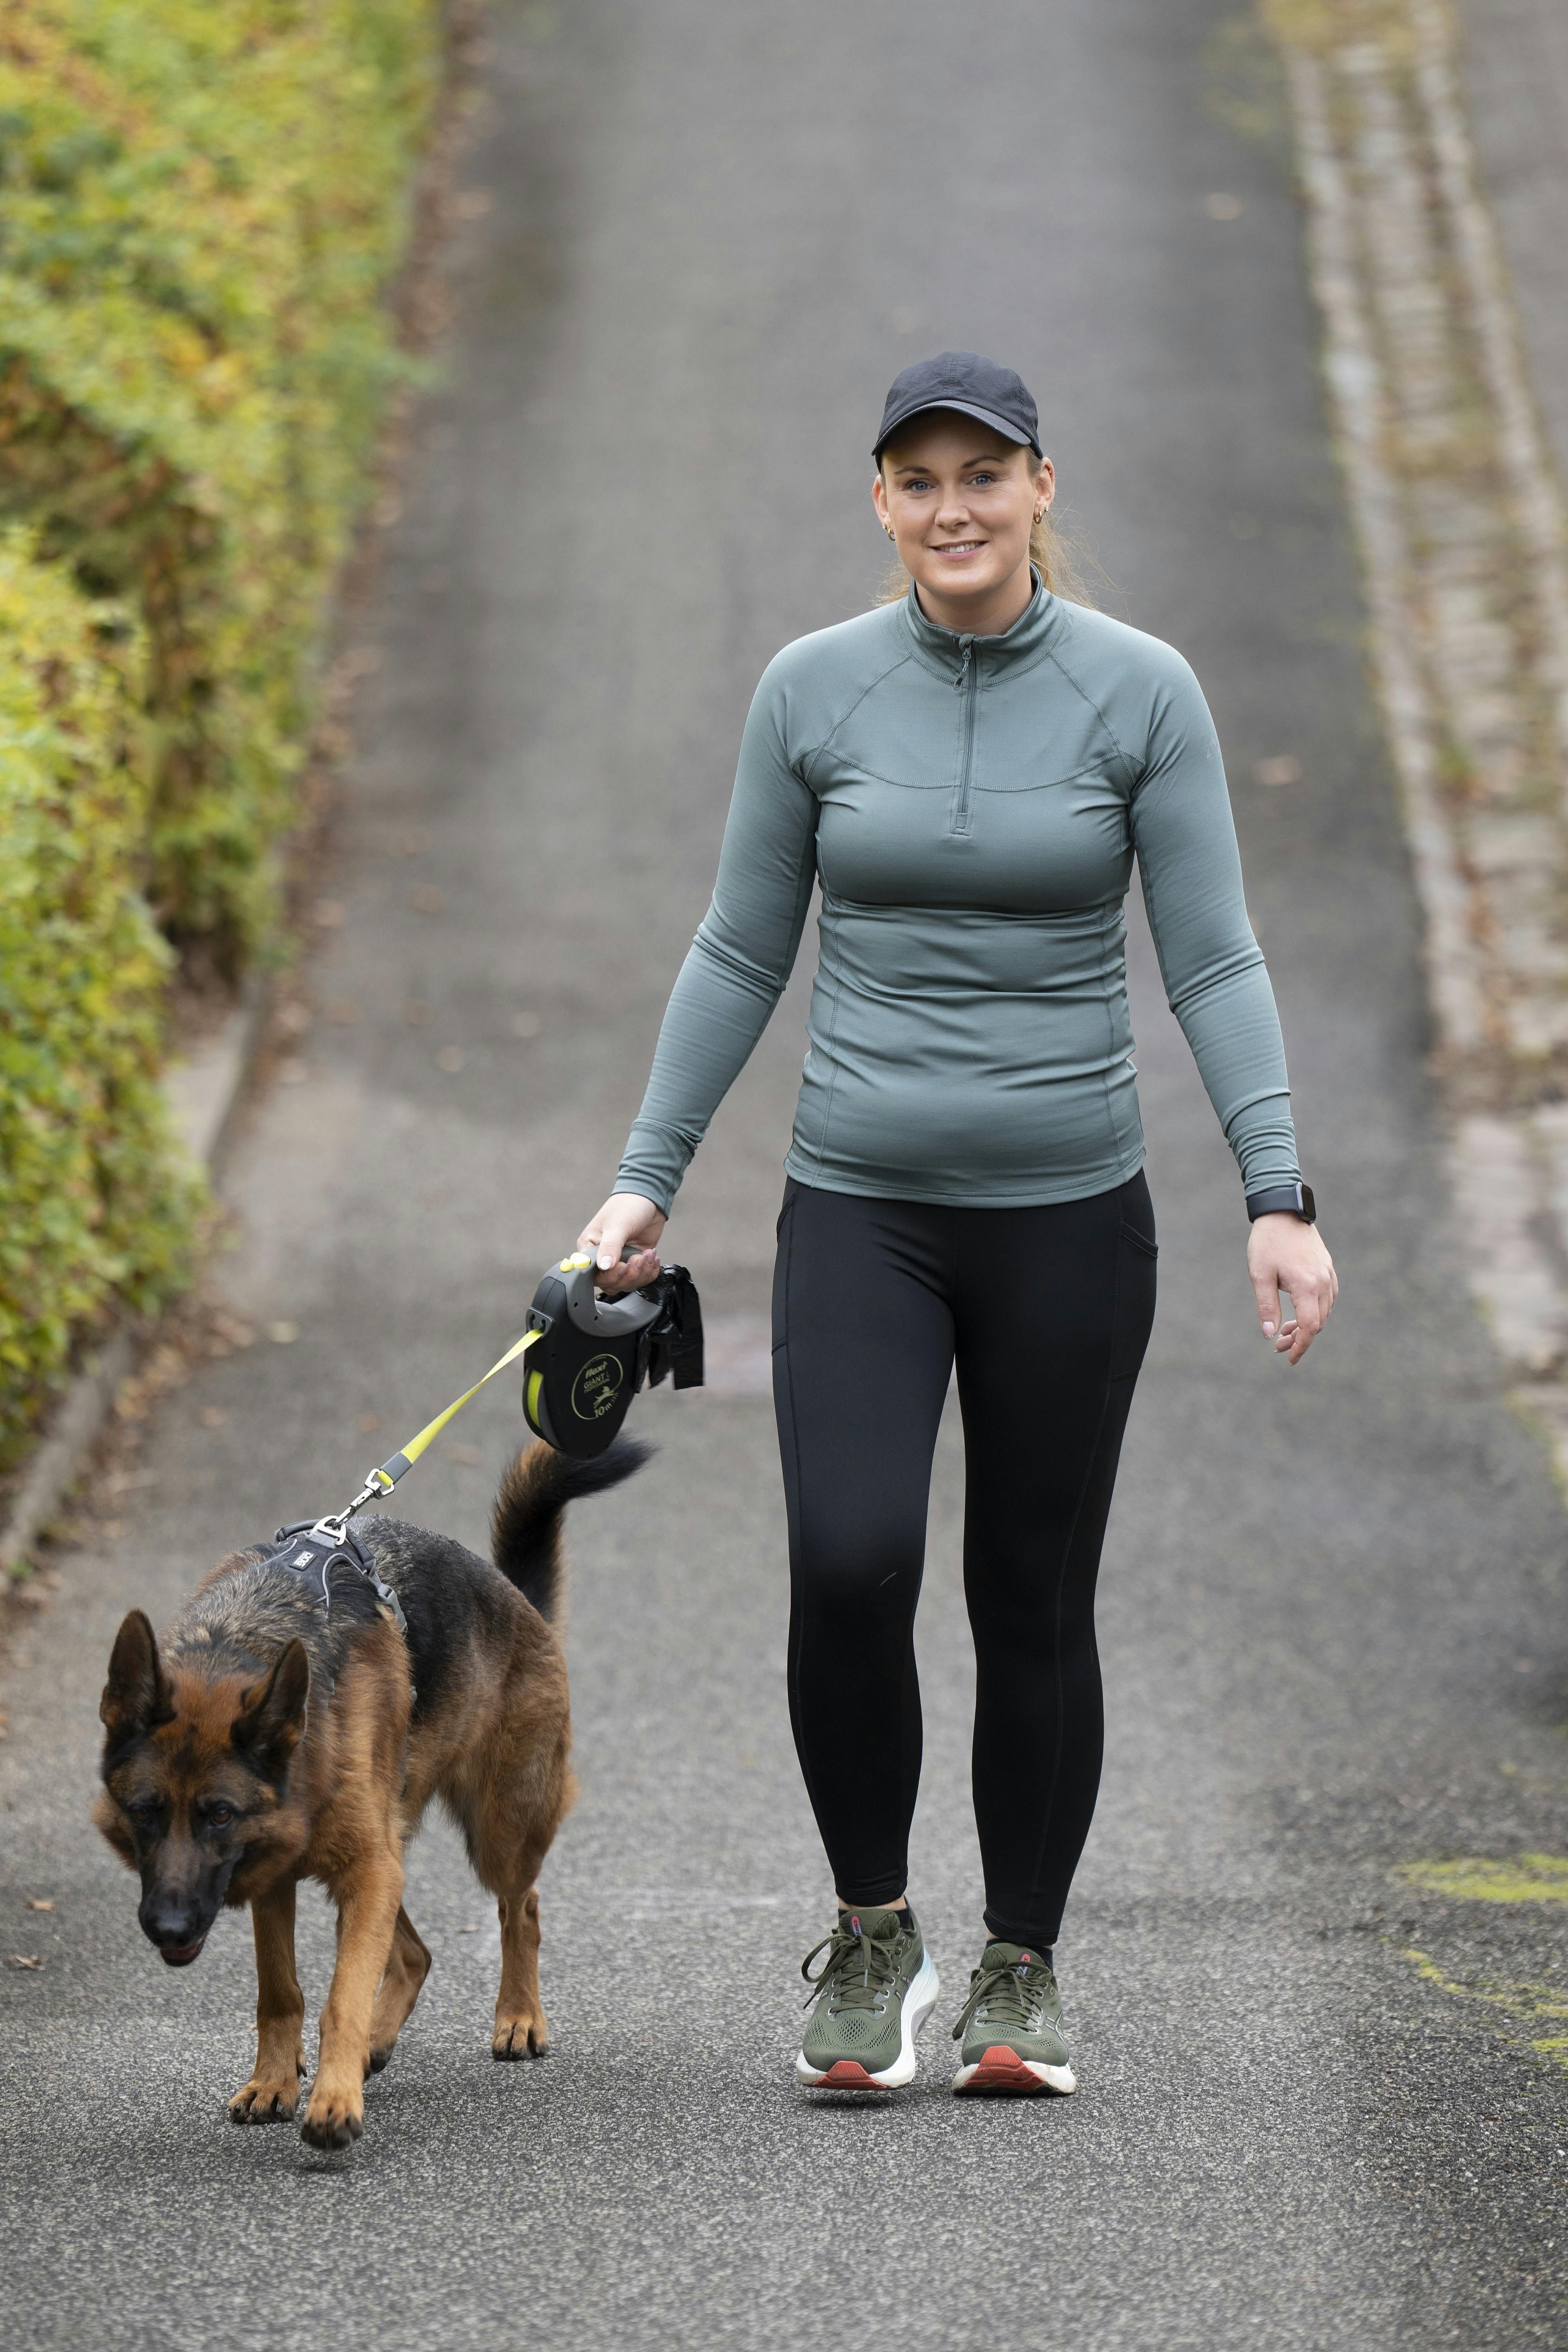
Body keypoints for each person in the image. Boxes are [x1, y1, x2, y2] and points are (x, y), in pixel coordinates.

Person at [577, 352, 1336, 2097]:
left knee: (1029, 1594)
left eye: (982, 476)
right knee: (849, 1562)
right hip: (860, 1205)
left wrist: (1275, 1192)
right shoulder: (814, 692)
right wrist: (647, 1173)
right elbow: (739, 947)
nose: (953, 509)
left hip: (1071, 1217)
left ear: (1041, 488)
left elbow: (1211, 954)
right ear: (881, 503)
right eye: (918, 480)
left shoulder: (1140, 694)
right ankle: (871, 1932)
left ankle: (1020, 1969)